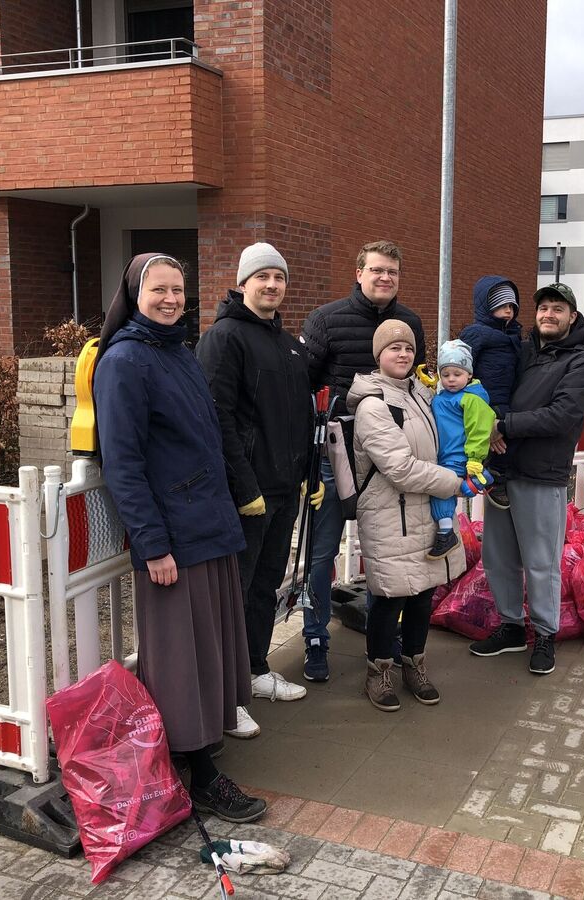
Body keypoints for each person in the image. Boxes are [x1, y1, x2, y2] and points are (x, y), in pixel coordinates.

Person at [93, 252, 265, 823]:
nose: (170, 299)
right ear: (134, 294)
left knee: (208, 650)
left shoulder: (179, 352)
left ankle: (199, 754)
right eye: (158, 290)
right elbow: (123, 461)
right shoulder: (123, 362)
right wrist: (152, 544)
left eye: (177, 290)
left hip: (208, 525)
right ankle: (200, 775)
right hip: (173, 539)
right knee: (179, 660)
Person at [194, 243, 323, 742]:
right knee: (235, 590)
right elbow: (216, 417)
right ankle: (227, 697)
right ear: (243, 282)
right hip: (246, 494)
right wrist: (242, 485)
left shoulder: (289, 346)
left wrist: (309, 475)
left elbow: (301, 419)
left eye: (279, 277)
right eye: (262, 276)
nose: (272, 285)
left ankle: (254, 669)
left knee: (266, 583)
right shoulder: (225, 338)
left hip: (284, 489)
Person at [299, 240, 426, 682]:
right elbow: (303, 389)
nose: (384, 278)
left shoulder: (410, 323)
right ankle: (315, 638)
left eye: (392, 271)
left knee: (385, 556)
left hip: (386, 465)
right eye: (376, 270)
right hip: (335, 461)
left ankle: (383, 643)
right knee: (321, 554)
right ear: (359, 273)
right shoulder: (325, 320)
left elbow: (414, 389)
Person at [468, 282, 584, 677]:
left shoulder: (581, 361)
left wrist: (502, 423)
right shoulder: (522, 351)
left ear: (572, 317)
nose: (548, 315)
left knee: (541, 562)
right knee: (499, 557)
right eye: (543, 308)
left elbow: (562, 415)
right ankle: (511, 627)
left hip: (542, 474)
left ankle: (544, 633)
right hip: (503, 472)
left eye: (558, 309)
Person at [346, 320, 466, 711]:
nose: (402, 354)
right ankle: (378, 672)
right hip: (389, 515)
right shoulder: (372, 405)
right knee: (387, 597)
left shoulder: (422, 393)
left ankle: (413, 662)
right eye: (393, 348)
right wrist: (451, 481)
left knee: (423, 594)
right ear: (378, 355)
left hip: (425, 513)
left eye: (408, 349)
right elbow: (399, 468)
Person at [427, 339, 495, 559]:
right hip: (442, 454)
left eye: (457, 374)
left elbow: (479, 428)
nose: (451, 379)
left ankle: (446, 532)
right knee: (450, 490)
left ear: (469, 374)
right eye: (445, 375)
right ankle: (482, 480)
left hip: (457, 455)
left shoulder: (471, 399)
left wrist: (475, 457)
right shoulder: (444, 396)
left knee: (441, 491)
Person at [459, 276, 522, 510]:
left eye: (511, 306)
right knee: (486, 443)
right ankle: (489, 476)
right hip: (484, 400)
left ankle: (497, 474)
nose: (507, 311)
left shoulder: (513, 336)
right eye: (501, 306)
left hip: (506, 400)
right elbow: (461, 366)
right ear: (487, 307)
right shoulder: (477, 333)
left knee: (509, 442)